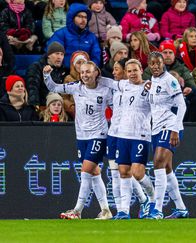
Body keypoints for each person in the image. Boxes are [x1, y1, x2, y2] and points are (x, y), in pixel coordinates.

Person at [43, 61, 113, 220]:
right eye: (82, 72)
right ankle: (106, 210)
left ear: (96, 72)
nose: (85, 75)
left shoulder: (105, 90)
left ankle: (77, 210)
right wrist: (47, 75)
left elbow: (117, 109)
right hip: (82, 136)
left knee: (86, 170)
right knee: (94, 173)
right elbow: (54, 87)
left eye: (88, 72)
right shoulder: (75, 87)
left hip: (99, 135)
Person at [98, 59, 155, 219]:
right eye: (129, 71)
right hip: (122, 134)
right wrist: (91, 73)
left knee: (137, 173)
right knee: (123, 172)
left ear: (141, 70)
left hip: (141, 135)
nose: (132, 73)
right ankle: (123, 211)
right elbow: (107, 82)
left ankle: (152, 198)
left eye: (134, 70)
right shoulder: (123, 85)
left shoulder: (150, 86)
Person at [145, 51, 189, 219]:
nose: (155, 66)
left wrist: (175, 129)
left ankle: (157, 209)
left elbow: (181, 106)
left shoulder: (170, 80)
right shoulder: (153, 81)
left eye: (158, 63)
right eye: (152, 63)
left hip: (169, 126)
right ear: (149, 65)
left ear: (163, 63)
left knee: (158, 163)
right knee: (167, 168)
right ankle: (181, 208)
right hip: (156, 129)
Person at [144, 40, 196, 122]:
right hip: (158, 96)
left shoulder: (182, 68)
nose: (168, 55)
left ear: (174, 54)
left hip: (179, 95)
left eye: (170, 52)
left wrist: (187, 89)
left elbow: (191, 85)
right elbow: (146, 86)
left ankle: (190, 126)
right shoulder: (150, 69)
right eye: (165, 52)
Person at [47, 3, 101, 68]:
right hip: (64, 72)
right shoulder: (60, 34)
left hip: (85, 73)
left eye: (85, 17)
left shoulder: (92, 37)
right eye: (80, 16)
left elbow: (96, 57)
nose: (83, 20)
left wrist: (89, 69)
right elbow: (54, 55)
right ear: (72, 18)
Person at [26, 41, 68, 109]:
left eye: (62, 54)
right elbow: (32, 87)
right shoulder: (36, 67)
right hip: (43, 106)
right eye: (57, 54)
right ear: (48, 55)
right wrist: (35, 105)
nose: (59, 57)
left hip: (58, 107)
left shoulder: (63, 70)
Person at [63, 51, 90, 119]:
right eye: (78, 63)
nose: (81, 65)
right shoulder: (68, 79)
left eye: (83, 62)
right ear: (73, 65)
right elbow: (64, 98)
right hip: (73, 114)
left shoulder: (92, 79)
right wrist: (72, 108)